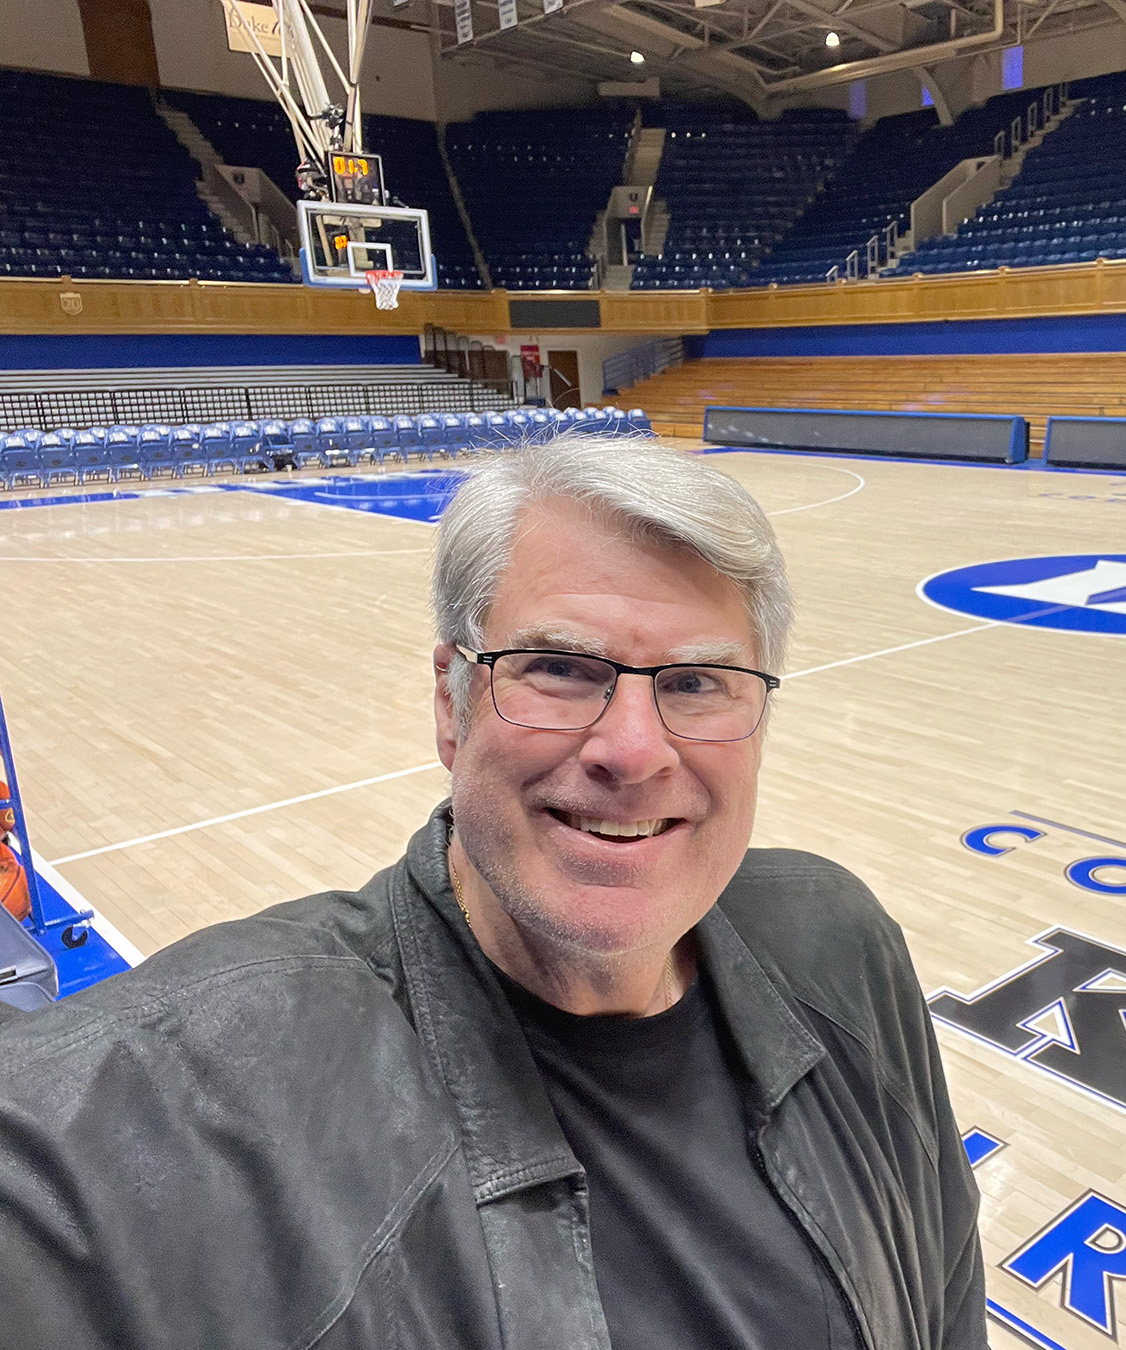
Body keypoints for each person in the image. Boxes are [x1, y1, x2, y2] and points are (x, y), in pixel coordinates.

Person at [0, 437, 985, 1349]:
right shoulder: (179, 1100)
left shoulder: (840, 942)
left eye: (698, 683)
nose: (634, 751)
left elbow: (942, 1292)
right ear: (449, 703)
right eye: (558, 668)